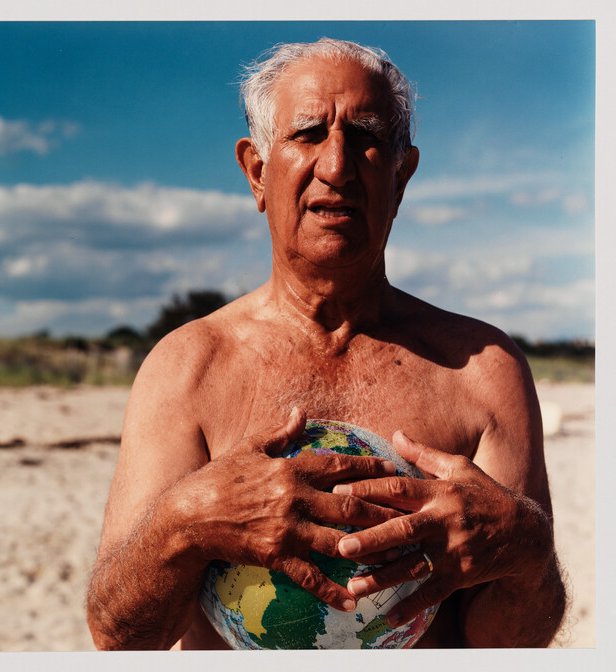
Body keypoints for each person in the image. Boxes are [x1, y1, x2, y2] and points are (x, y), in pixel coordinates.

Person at [85, 38, 566, 650]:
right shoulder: (187, 367)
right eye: (308, 133)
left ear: (402, 175)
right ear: (257, 171)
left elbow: (510, 647)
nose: (337, 166)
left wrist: (526, 548)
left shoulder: (483, 370)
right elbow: (119, 640)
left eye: (366, 137)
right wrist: (187, 521)